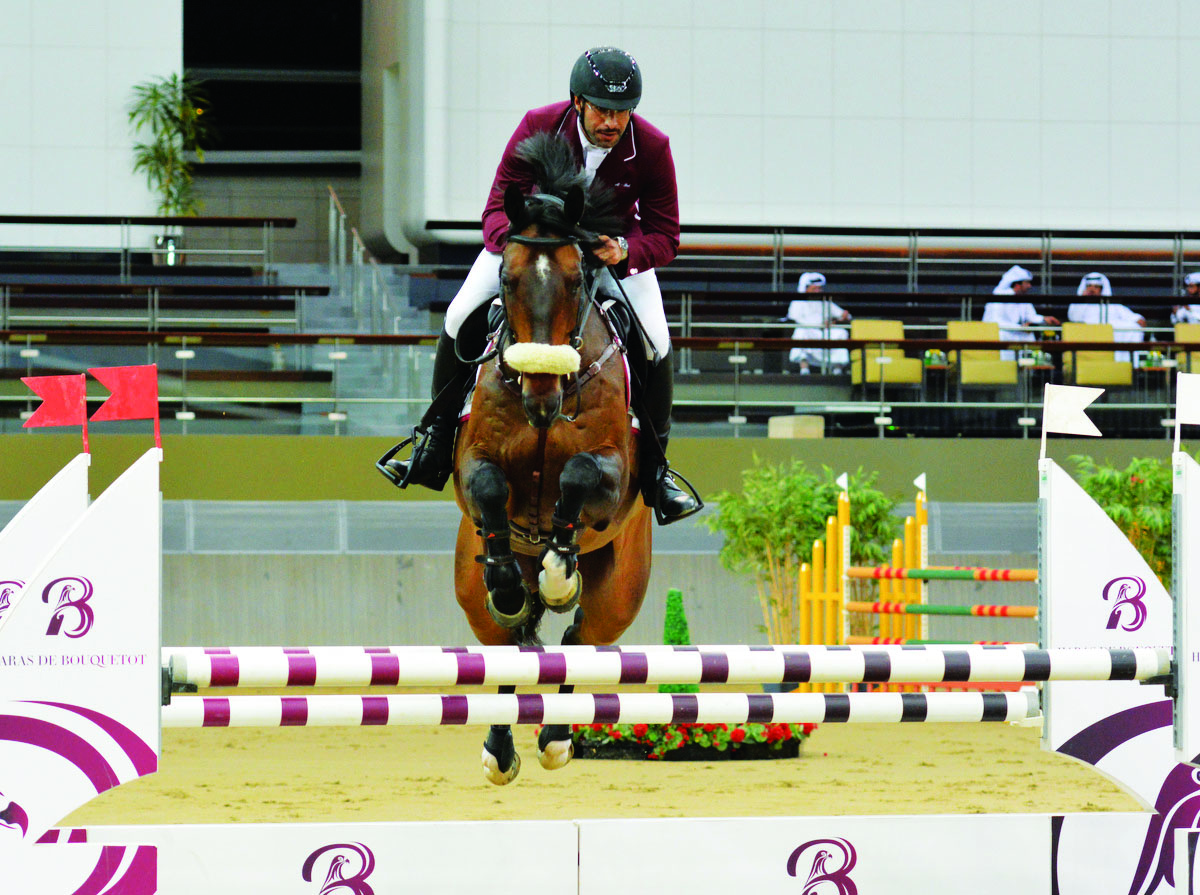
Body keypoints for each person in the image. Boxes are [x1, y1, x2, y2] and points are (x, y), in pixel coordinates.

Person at [385, 47, 698, 522]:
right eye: (602, 110)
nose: (612, 122)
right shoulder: (538, 124)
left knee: (657, 340)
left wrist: (627, 251)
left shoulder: (652, 147)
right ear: (577, 101)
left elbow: (666, 234)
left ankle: (657, 469)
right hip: (536, 249)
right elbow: (494, 209)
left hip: (607, 257)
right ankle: (434, 438)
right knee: (457, 315)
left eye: (622, 111)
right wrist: (519, 240)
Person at [981, 265, 1059, 360]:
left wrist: (1044, 319)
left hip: (1018, 333)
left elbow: (1031, 316)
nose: (1030, 286)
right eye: (1027, 283)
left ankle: (1029, 371)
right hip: (1003, 333)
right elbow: (994, 321)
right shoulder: (1000, 296)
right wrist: (1020, 328)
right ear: (1017, 285)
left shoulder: (1022, 297)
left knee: (1030, 336)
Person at [1067, 272, 1145, 362]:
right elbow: (1073, 318)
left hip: (1111, 332)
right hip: (1090, 333)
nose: (1092, 290)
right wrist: (1082, 299)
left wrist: (1138, 319)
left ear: (1102, 289)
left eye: (1096, 287)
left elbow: (1134, 318)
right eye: (1089, 286)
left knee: (1132, 327)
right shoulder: (1078, 304)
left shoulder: (1112, 305)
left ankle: (1125, 362)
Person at [785, 272, 851, 374]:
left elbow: (845, 315)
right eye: (815, 288)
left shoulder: (825, 302)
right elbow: (794, 318)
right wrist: (818, 324)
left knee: (841, 333)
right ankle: (804, 368)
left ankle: (837, 370)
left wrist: (837, 320)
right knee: (800, 332)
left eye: (820, 288)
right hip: (808, 331)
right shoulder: (797, 302)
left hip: (824, 332)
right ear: (806, 287)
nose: (818, 291)